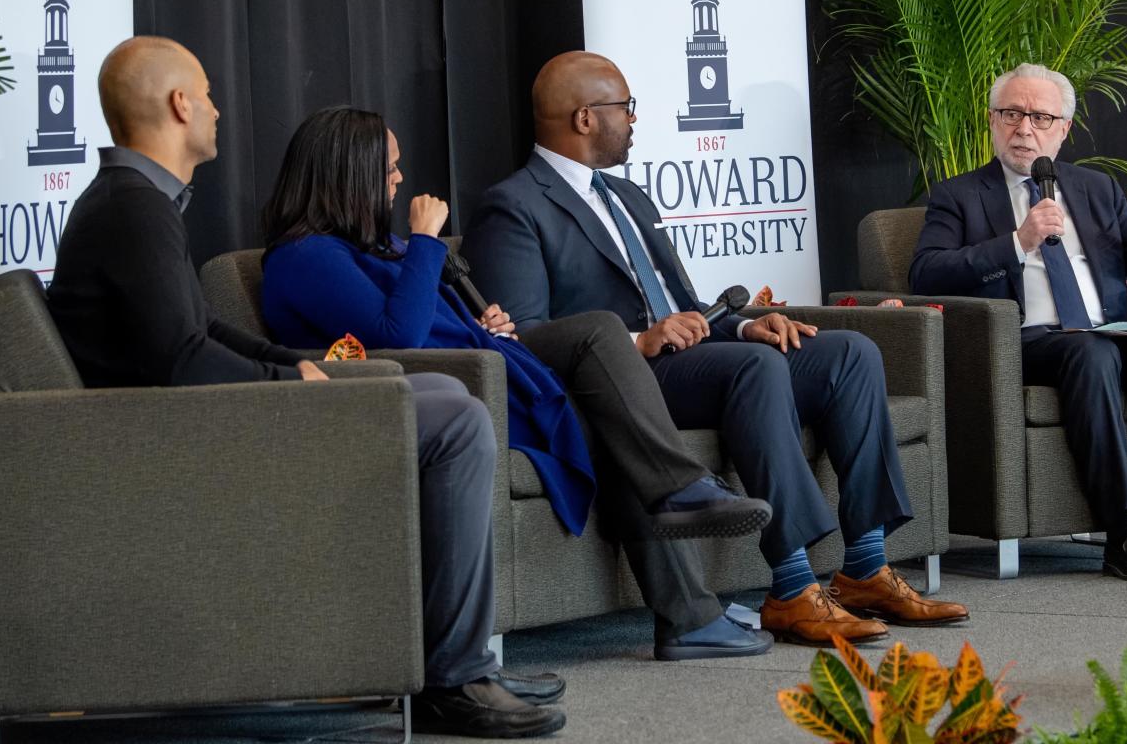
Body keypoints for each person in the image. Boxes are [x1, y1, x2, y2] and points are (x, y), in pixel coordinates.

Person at [46, 37, 566, 737]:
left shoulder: (135, 201)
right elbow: (182, 360)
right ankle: (456, 675)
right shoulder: (132, 209)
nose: (219, 110)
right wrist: (288, 380)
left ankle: (451, 661)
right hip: (169, 438)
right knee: (459, 421)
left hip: (190, 417)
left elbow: (197, 332)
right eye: (207, 93)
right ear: (179, 105)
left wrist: (291, 365)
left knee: (448, 401)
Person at [464, 51, 969, 648]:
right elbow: (522, 337)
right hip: (624, 383)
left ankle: (863, 566)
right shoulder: (514, 205)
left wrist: (742, 326)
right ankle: (793, 584)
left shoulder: (629, 196)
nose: (633, 120)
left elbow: (683, 304)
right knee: (754, 370)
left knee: (848, 354)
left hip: (695, 361)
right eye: (625, 108)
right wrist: (639, 340)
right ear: (583, 119)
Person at [255, 106, 775, 661]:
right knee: (603, 370)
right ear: (349, 173)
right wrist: (428, 240)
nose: (400, 180)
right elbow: (396, 333)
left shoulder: (373, 248)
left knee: (602, 362)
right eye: (389, 170)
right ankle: (684, 541)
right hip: (456, 391)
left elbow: (428, 317)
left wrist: (482, 323)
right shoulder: (305, 258)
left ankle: (689, 589)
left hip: (483, 358)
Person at [908, 62, 1127, 583]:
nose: (1024, 128)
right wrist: (1016, 242)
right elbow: (925, 272)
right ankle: (1124, 532)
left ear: (1063, 129)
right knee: (1088, 353)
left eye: (1040, 117)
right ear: (992, 120)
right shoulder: (958, 195)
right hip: (1024, 340)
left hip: (1107, 330)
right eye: (1012, 114)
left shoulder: (1095, 189)